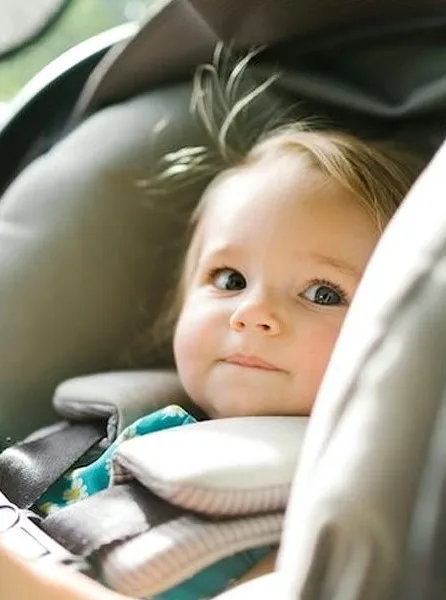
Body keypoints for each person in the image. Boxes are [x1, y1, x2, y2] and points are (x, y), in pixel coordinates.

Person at [0, 54, 422, 600]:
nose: (251, 313)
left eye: (323, 293)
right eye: (228, 279)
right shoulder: (99, 433)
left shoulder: (330, 519)